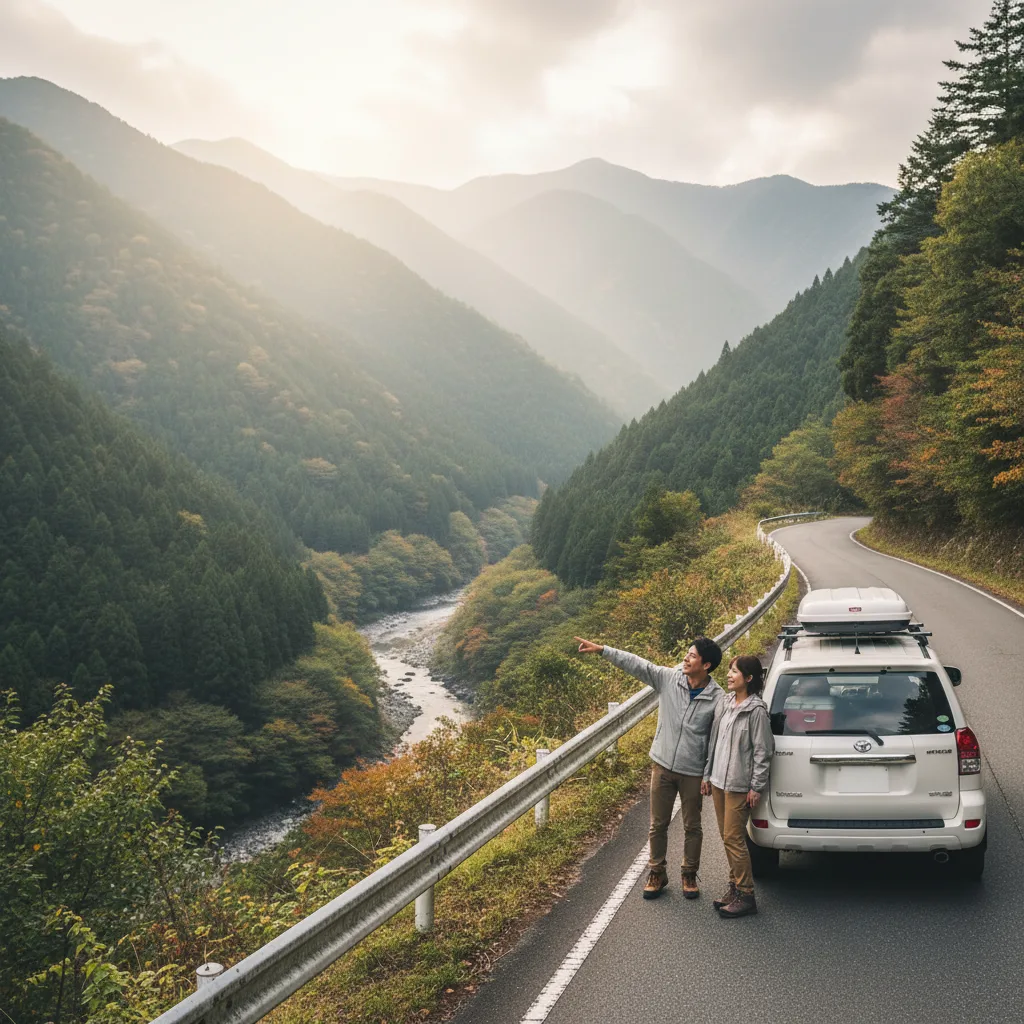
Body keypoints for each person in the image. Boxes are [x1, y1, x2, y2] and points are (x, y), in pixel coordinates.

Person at [575, 634, 723, 899]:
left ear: (707, 665)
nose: (685, 659)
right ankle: (657, 872)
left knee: (693, 826)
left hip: (692, 771)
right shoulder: (669, 678)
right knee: (658, 824)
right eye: (687, 654)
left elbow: (715, 740)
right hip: (663, 765)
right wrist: (603, 650)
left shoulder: (717, 698)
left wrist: (708, 774)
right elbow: (638, 664)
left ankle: (689, 874)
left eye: (692, 656)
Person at [700, 654, 774, 918]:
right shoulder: (725, 703)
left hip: (739, 785)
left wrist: (756, 787)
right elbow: (714, 742)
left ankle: (746, 894)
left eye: (734, 671)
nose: (729, 675)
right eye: (730, 670)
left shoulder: (756, 711)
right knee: (727, 837)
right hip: (719, 782)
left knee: (734, 838)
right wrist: (707, 775)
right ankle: (734, 887)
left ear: (749, 678)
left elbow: (763, 752)